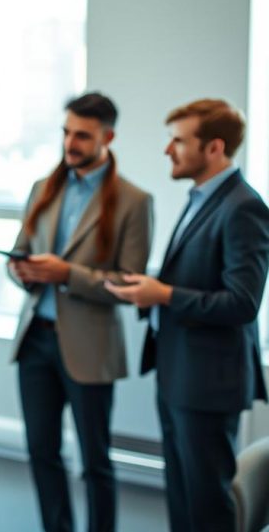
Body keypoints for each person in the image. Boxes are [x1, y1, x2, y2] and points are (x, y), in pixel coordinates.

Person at [106, 99, 269, 532]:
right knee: (182, 500)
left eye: (178, 141)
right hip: (179, 373)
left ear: (214, 148)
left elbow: (242, 303)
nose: (168, 151)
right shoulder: (201, 198)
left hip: (207, 385)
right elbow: (198, 280)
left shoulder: (243, 207)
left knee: (207, 508)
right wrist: (149, 291)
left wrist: (164, 294)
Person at [7, 92, 153, 532]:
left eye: (82, 136)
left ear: (107, 137)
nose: (71, 143)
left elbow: (129, 284)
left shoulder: (134, 201)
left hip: (89, 348)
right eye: (67, 132)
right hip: (35, 340)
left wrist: (66, 273)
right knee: (41, 453)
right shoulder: (43, 188)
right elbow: (21, 255)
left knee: (94, 461)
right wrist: (23, 271)